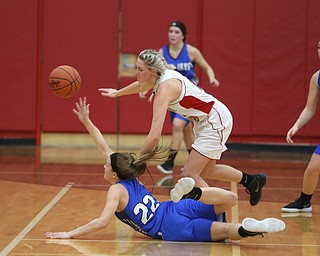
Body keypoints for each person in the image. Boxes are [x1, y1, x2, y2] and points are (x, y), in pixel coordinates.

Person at [45, 97, 285, 241]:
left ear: (114, 174)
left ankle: (246, 229)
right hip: (172, 206)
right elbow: (104, 148)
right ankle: (198, 194)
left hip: (169, 227)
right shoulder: (132, 170)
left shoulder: (116, 190)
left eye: (106, 166)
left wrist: (70, 234)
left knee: (224, 232)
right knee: (230, 199)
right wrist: (87, 121)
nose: (104, 165)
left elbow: (102, 222)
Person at [99, 49, 266, 206]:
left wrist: (138, 161)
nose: (136, 73)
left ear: (153, 72)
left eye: (140, 70)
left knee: (189, 174)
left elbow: (155, 136)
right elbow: (142, 85)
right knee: (208, 170)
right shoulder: (161, 77)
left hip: (214, 120)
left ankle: (217, 211)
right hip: (206, 120)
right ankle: (252, 181)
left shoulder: (164, 89)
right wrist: (117, 92)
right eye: (136, 68)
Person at [154, 20, 220, 175]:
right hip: (173, 97)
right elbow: (154, 74)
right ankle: (195, 163)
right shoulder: (162, 53)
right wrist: (146, 90)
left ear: (183, 36)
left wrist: (212, 78)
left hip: (189, 96)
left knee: (178, 125)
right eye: (171, 31)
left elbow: (207, 67)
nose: (173, 34)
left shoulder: (191, 51)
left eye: (176, 32)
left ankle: (169, 162)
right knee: (186, 131)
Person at [282, 40, 320, 213]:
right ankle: (304, 202)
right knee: (313, 168)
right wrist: (297, 125)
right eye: (319, 47)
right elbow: (309, 108)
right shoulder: (317, 77)